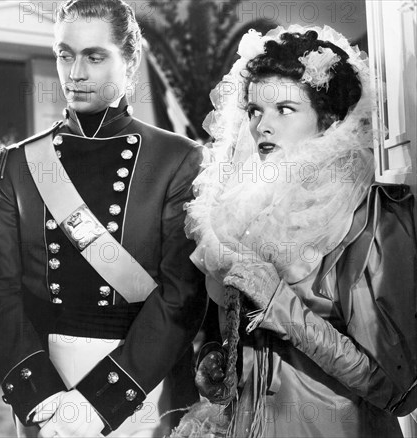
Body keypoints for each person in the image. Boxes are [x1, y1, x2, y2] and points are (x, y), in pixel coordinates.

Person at [177, 25, 417, 438]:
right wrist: (217, 361)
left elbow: (397, 390)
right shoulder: (246, 211)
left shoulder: (370, 213)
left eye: (285, 109)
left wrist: (281, 306)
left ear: (327, 118)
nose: (262, 127)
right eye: (255, 111)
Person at [0, 0, 206, 436]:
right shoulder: (18, 164)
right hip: (46, 387)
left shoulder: (178, 160)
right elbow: (0, 289)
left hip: (141, 383)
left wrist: (97, 403)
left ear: (131, 59)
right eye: (64, 54)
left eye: (94, 56)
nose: (75, 73)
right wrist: (42, 397)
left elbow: (182, 297)